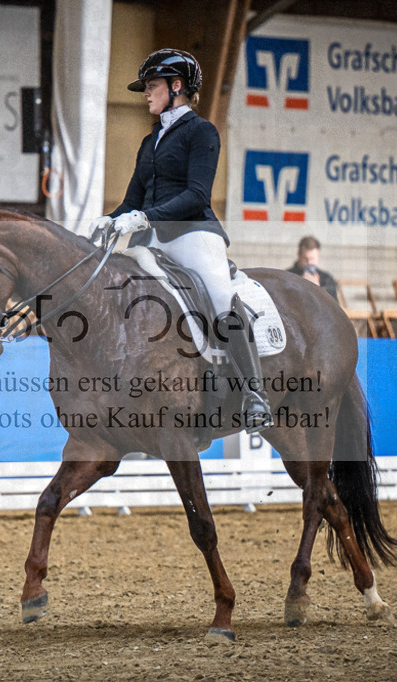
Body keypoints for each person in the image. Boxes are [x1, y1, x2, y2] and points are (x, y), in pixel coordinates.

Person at [89, 48, 272, 433]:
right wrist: (111, 217)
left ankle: (254, 394)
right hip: (152, 239)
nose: (146, 93)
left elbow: (197, 194)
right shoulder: (149, 141)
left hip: (194, 234)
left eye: (152, 85)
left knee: (220, 297)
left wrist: (146, 217)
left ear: (177, 87)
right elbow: (133, 198)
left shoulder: (202, 132)